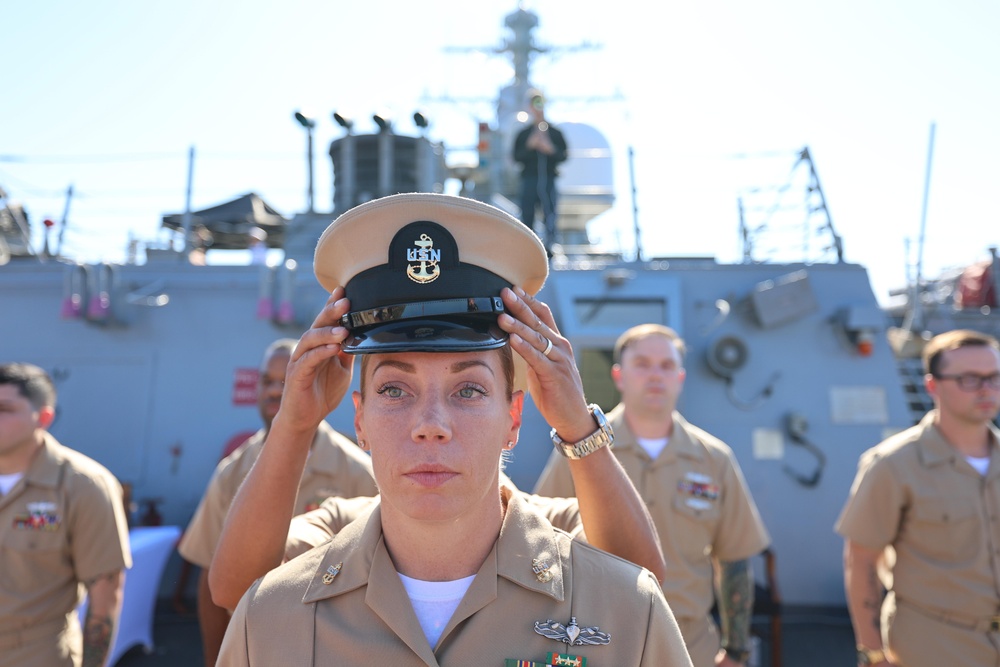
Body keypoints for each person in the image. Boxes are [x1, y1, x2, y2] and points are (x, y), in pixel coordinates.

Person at [216, 192, 692, 666]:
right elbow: (241, 595)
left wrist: (575, 423)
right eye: (395, 390)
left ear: (514, 417)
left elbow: (633, 595)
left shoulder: (562, 534)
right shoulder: (327, 540)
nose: (430, 426)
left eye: (468, 390)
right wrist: (295, 425)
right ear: (359, 419)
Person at [534, 324, 771, 667]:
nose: (655, 375)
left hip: (691, 646)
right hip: (597, 641)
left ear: (680, 377)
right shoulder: (580, 450)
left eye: (666, 366)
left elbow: (734, 560)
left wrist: (735, 652)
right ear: (619, 375)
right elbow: (541, 541)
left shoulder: (714, 459)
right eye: (642, 364)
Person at [178, 339, 377, 667]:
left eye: (285, 380)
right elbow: (210, 577)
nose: (273, 391)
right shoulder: (232, 473)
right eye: (266, 381)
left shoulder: (361, 473)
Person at [836, 329, 1000, 667]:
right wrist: (873, 654)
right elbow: (861, 559)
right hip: (935, 645)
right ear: (932, 385)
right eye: (969, 379)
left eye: (995, 377)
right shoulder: (894, 465)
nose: (986, 389)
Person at [0, 362, 131, 667]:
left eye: (4, 409)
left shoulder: (83, 486)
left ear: (43, 417)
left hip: (33, 655)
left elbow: (105, 595)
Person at [513, 89, 567, 255]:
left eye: (540, 103)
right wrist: (530, 145)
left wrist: (549, 148)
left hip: (548, 179)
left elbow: (563, 155)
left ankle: (550, 245)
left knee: (550, 212)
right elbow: (516, 156)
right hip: (529, 179)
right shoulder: (523, 134)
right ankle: (528, 246)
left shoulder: (555, 133)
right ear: (530, 107)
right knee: (527, 212)